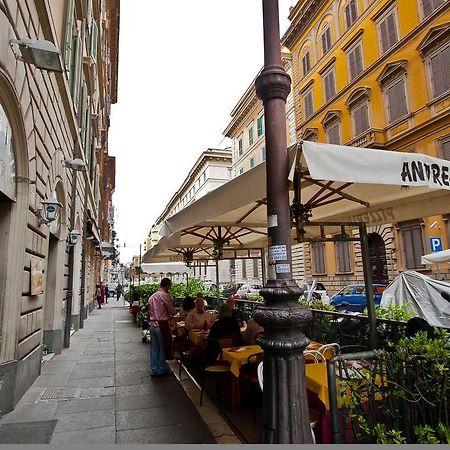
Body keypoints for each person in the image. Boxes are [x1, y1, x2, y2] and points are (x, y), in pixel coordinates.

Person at [148, 277, 177, 377]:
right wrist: (174, 311)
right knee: (162, 348)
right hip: (162, 325)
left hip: (152, 324)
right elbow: (171, 311)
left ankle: (153, 369)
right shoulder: (165, 296)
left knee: (154, 348)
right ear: (167, 285)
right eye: (170, 285)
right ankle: (161, 369)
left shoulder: (152, 296)